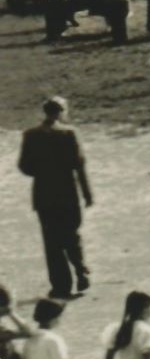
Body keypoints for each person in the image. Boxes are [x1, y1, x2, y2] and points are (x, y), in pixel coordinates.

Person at [17, 97, 93, 301]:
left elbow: (24, 166)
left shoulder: (30, 135)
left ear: (45, 112)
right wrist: (87, 193)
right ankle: (80, 268)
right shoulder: (70, 133)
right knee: (72, 234)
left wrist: (42, 171)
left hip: (44, 195)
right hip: (68, 192)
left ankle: (61, 286)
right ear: (63, 111)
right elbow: (79, 165)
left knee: (52, 243)